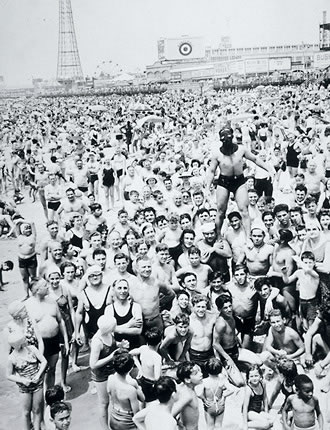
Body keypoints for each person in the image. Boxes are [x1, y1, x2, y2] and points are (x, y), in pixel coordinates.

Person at [206, 126, 273, 235]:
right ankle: (218, 235)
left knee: (244, 211)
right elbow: (211, 171)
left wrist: (269, 169)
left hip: (239, 181)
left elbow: (255, 159)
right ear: (221, 140)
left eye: (229, 139)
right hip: (224, 181)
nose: (227, 142)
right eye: (224, 140)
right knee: (221, 211)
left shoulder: (241, 149)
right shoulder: (217, 154)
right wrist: (207, 187)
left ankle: (248, 237)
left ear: (232, 138)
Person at [25, 278, 69, 390]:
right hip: (38, 343)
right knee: (40, 371)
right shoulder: (27, 305)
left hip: (54, 340)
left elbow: (60, 321)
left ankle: (50, 395)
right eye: (45, 285)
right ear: (37, 290)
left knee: (52, 368)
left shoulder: (51, 301)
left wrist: (65, 341)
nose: (48, 286)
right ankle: (41, 398)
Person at [89, 315, 126, 430]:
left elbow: (112, 344)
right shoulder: (97, 341)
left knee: (116, 397)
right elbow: (93, 364)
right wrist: (111, 357)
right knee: (104, 403)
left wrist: (120, 344)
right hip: (101, 374)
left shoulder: (109, 333)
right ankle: (104, 428)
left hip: (112, 370)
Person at [7, 330, 47, 430]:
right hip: (24, 388)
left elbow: (44, 361)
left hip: (37, 384)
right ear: (18, 344)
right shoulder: (12, 358)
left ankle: (37, 428)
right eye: (24, 339)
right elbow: (9, 375)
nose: (27, 340)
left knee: (37, 409)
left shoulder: (32, 349)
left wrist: (38, 375)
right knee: (26, 412)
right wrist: (22, 380)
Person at [108, 350, 144, 430]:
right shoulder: (130, 389)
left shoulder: (110, 379)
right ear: (131, 368)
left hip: (113, 417)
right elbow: (137, 412)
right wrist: (137, 387)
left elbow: (109, 393)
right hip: (127, 422)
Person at [198, 357, 235, 430]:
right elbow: (232, 390)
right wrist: (224, 396)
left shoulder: (205, 381)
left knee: (210, 426)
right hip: (220, 404)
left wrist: (204, 399)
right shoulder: (222, 380)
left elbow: (199, 393)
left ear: (206, 370)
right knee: (218, 426)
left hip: (209, 405)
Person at [130, 328, 163, 403]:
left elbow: (131, 353)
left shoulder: (143, 348)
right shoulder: (157, 357)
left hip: (142, 380)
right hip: (151, 385)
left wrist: (140, 368)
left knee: (143, 402)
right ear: (160, 341)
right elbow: (157, 377)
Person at [189, 295, 216, 377]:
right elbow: (184, 344)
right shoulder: (189, 321)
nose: (201, 310)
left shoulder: (212, 317)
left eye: (203, 307)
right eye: (198, 307)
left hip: (210, 354)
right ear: (193, 307)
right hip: (195, 356)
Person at [172, 361, 203, 430]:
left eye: (199, 371)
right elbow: (170, 414)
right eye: (196, 373)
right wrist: (180, 425)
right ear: (187, 380)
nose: (201, 374)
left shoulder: (181, 387)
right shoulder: (188, 396)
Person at [242, 364, 273, 430]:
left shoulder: (263, 384)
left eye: (256, 376)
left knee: (272, 420)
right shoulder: (249, 389)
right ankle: (244, 424)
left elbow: (265, 398)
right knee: (266, 424)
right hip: (250, 412)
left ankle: (258, 423)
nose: (254, 378)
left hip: (258, 411)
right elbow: (245, 407)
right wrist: (245, 425)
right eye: (251, 376)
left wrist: (266, 412)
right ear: (248, 378)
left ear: (260, 376)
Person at [18, 221, 37, 299]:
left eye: (29, 228)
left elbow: (32, 223)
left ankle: (34, 293)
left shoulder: (33, 236)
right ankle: (26, 294)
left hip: (31, 258)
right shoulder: (19, 236)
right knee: (24, 278)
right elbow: (16, 224)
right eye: (26, 229)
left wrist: (23, 221)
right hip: (21, 259)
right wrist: (20, 222)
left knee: (33, 277)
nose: (28, 230)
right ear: (22, 230)